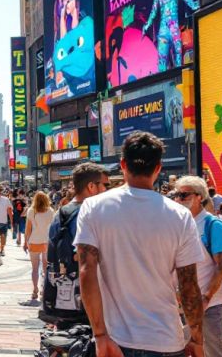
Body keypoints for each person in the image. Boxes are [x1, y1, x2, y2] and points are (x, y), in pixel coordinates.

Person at [75, 132, 207, 357]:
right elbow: (189, 286)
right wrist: (196, 338)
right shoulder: (180, 215)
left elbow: (86, 271)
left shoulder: (93, 207)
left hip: (116, 340)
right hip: (166, 338)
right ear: (158, 168)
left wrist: (100, 335)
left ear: (123, 164)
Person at [42, 162, 107, 325]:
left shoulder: (61, 213)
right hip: (86, 291)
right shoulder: (89, 213)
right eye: (105, 185)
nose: (107, 190)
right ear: (92, 186)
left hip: (62, 288)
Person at [173, 176, 222, 357]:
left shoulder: (213, 225)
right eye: (176, 195)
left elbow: (221, 266)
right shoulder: (179, 224)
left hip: (209, 303)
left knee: (212, 350)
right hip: (182, 303)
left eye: (184, 195)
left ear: (200, 196)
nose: (178, 199)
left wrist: (206, 298)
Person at [23, 191, 55, 302]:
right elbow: (53, 228)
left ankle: (35, 290)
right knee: (46, 268)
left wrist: (25, 242)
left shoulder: (31, 211)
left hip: (34, 241)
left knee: (35, 268)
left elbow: (28, 229)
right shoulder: (51, 211)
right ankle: (44, 290)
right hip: (46, 242)